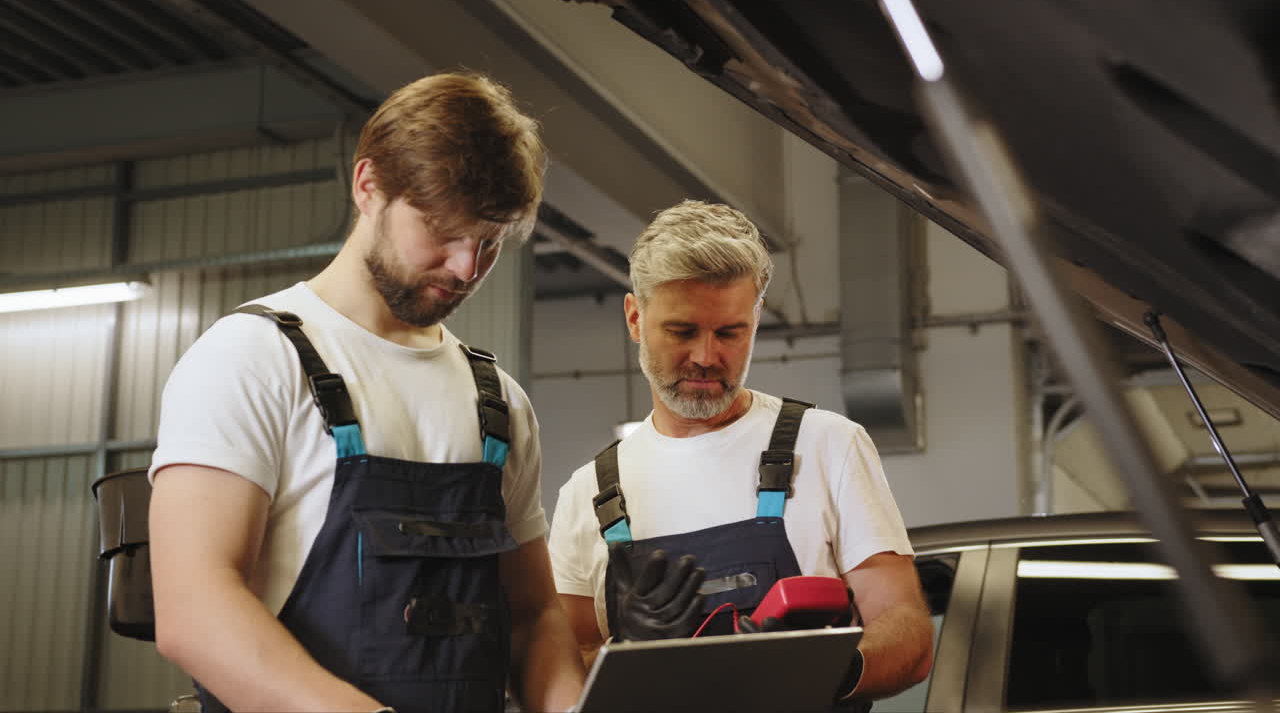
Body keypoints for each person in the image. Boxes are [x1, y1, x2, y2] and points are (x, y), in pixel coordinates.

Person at [148, 72, 584, 713]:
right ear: (368, 187)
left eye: (488, 242)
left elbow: (533, 616)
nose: (466, 267)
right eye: (442, 231)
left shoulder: (499, 402)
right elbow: (194, 608)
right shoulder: (251, 359)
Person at [547, 200, 933, 705]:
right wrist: (628, 652)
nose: (707, 357)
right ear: (636, 318)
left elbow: (905, 629)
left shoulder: (827, 445)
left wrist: (822, 670)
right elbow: (559, 667)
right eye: (682, 331)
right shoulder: (590, 493)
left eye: (730, 332)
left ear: (754, 318)